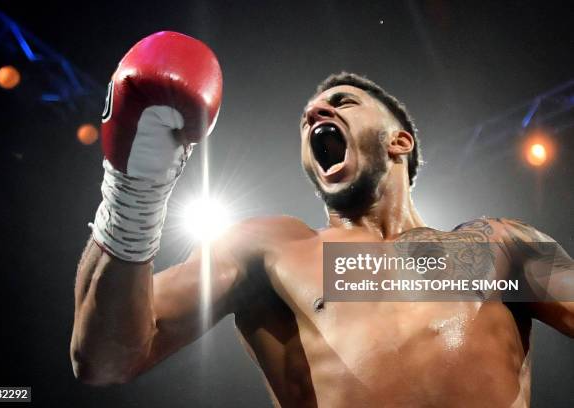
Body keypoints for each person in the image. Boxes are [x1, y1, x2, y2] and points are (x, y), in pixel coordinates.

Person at [70, 31, 574, 407]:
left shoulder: (498, 246)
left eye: (341, 103)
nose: (314, 114)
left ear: (400, 141)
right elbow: (105, 358)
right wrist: (135, 195)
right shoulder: (270, 249)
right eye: (307, 117)